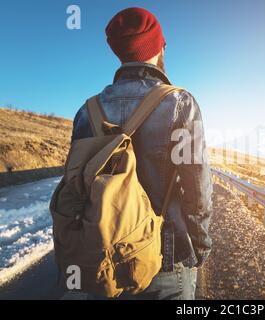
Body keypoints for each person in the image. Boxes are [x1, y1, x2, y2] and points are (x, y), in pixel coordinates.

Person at [70, 7, 213, 300]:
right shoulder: (180, 103)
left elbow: (76, 186)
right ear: (160, 47)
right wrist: (199, 245)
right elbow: (197, 186)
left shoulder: (87, 111)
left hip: (104, 258)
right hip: (165, 257)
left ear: (118, 52)